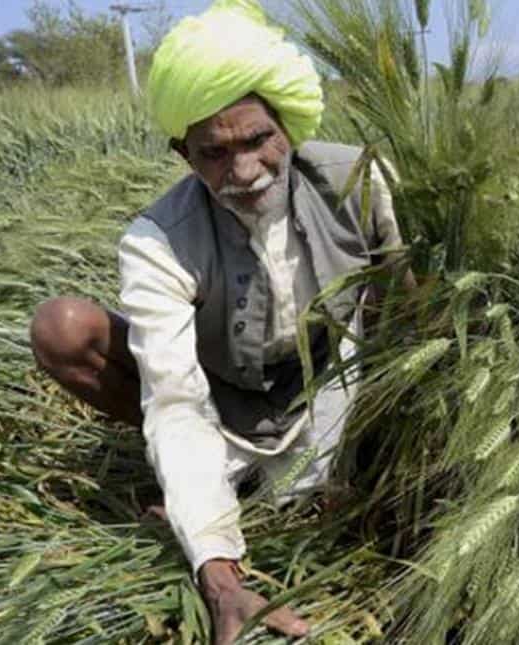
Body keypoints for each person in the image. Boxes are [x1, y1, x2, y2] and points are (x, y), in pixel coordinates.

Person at [28, 1, 409, 642]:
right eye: (214, 153)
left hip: (338, 384)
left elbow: (404, 308)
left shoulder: (358, 181)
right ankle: (223, 488)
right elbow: (175, 399)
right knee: (61, 327)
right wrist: (220, 574)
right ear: (183, 153)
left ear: (287, 125)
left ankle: (302, 478)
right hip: (223, 400)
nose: (242, 172)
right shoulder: (159, 241)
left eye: (258, 140)